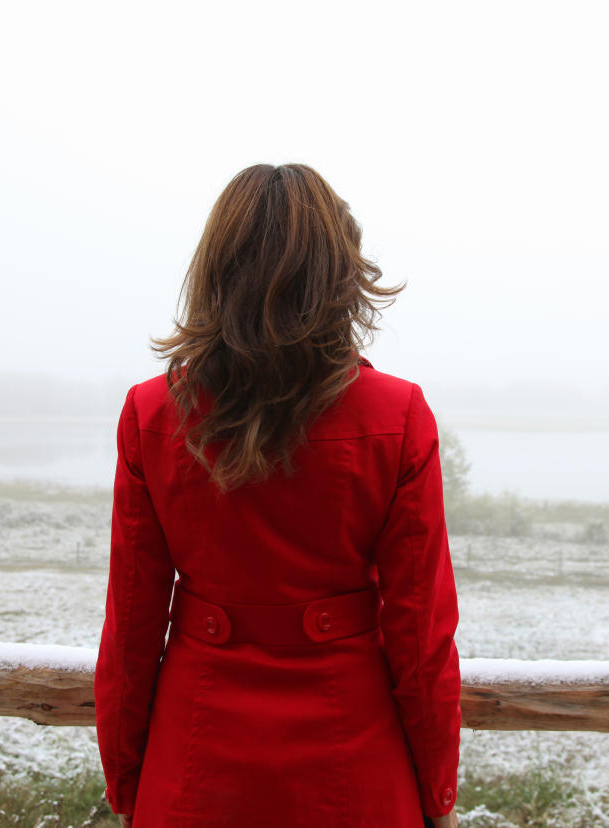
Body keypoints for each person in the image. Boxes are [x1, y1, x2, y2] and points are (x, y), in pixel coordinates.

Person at [94, 162, 462, 827]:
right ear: (339, 274)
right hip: (358, 767)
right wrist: (438, 796)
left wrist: (128, 784)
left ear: (217, 270)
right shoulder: (398, 416)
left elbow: (132, 628)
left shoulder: (152, 415)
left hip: (191, 765)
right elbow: (421, 638)